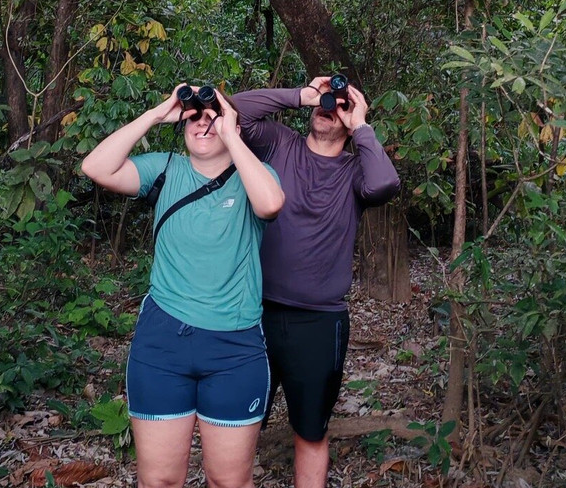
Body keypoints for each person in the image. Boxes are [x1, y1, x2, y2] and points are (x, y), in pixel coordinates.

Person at [80, 84, 285, 488]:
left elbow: (270, 204)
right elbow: (96, 167)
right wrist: (157, 113)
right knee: (159, 479)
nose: (203, 124)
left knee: (228, 481)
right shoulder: (165, 168)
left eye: (213, 116)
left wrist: (231, 133)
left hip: (234, 348)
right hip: (162, 344)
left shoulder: (255, 175)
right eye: (194, 117)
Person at [232, 76, 400, 488]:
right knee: (238, 429)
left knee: (310, 432)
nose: (329, 107)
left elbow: (384, 185)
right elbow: (234, 110)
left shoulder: (355, 172)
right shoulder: (279, 144)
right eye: (325, 100)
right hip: (254, 314)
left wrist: (361, 125)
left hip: (320, 323)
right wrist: (301, 95)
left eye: (340, 104)